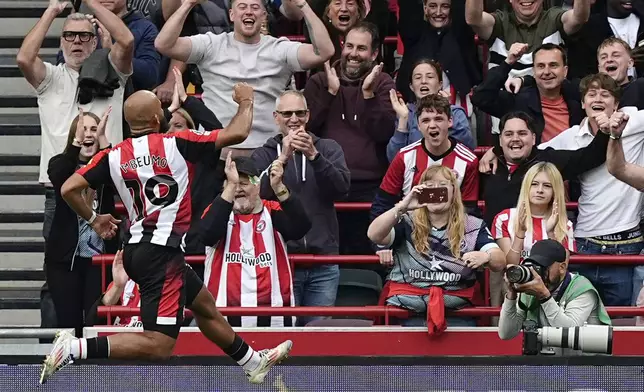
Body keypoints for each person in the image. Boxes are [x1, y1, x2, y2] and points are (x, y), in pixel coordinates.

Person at [40, 85, 291, 385]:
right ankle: (75, 347)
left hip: (139, 247)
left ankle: (251, 362)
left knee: (204, 306)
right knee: (159, 345)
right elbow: (237, 132)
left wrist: (94, 219)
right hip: (162, 252)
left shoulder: (113, 155)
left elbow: (68, 188)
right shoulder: (176, 142)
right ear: (158, 118)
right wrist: (247, 99)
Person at [155, 0, 334, 157]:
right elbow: (163, 44)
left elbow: (325, 52)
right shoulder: (210, 44)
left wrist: (302, 5)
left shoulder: (280, 49)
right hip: (216, 153)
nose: (249, 11)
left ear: (264, 15)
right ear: (231, 14)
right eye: (242, 7)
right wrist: (188, 4)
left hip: (266, 155)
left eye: (255, 7)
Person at [539, 73, 644, 306]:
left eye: (605, 94)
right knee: (581, 326)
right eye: (592, 94)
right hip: (584, 243)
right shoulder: (571, 136)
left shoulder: (634, 121)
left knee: (622, 326)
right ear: (584, 103)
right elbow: (533, 157)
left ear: (616, 103)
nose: (598, 98)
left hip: (626, 245)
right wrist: (494, 152)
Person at [251, 90, 350, 326]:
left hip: (323, 260)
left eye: (299, 113)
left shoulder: (327, 148)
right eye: (287, 113)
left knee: (319, 333)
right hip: (280, 259)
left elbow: (342, 189)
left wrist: (314, 156)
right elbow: (254, 195)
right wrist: (283, 159)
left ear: (308, 115)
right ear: (276, 117)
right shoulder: (263, 154)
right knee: (286, 331)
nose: (294, 119)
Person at [368, 165, 506, 332]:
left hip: (457, 313)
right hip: (405, 311)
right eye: (430, 187)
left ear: (453, 191)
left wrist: (487, 257)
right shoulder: (405, 221)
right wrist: (402, 206)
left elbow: (499, 260)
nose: (436, 192)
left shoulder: (473, 225)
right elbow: (374, 234)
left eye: (442, 186)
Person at [199, 153, 312, 327]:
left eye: (243, 183)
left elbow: (301, 227)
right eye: (232, 184)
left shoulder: (272, 211)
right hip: (223, 317)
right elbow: (207, 234)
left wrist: (279, 187)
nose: (238, 189)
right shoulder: (217, 212)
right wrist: (231, 186)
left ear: (257, 185)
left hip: (274, 316)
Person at [46, 107, 117, 337]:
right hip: (65, 260)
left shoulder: (106, 164)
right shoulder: (60, 163)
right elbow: (59, 177)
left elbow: (118, 172)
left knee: (95, 321)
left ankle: (94, 372)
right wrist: (75, 142)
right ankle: (69, 371)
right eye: (83, 129)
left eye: (94, 129)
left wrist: (105, 140)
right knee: (68, 323)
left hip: (100, 259)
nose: (88, 134)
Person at [498, 239, 611, 355]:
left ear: (562, 267)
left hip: (586, 366)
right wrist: (511, 295)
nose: (538, 272)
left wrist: (544, 296)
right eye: (535, 266)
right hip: (550, 364)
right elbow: (506, 333)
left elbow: (568, 330)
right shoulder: (529, 289)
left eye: (544, 267)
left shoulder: (581, 289)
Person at [491, 162, 576, 308]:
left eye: (547, 186)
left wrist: (551, 234)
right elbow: (509, 265)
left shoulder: (564, 225)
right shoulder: (504, 218)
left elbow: (560, 270)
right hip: (514, 290)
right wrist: (520, 234)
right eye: (534, 184)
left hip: (548, 294)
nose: (540, 190)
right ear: (526, 187)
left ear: (555, 191)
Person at [386, 59, 474, 162]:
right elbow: (393, 159)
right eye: (418, 78)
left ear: (440, 84)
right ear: (411, 86)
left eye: (430, 77)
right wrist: (402, 121)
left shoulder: (455, 112)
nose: (423, 81)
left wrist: (446, 111)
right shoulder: (405, 113)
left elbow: (468, 148)